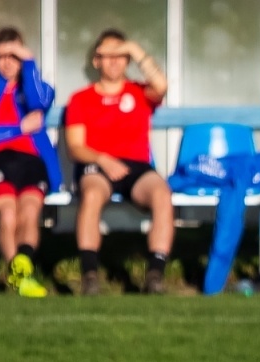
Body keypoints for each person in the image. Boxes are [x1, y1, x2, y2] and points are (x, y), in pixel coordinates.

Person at [64, 29, 171, 296]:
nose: (113, 61)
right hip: (97, 165)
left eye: (120, 55)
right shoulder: (81, 99)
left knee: (162, 194)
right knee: (91, 194)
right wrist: (103, 158)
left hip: (136, 166)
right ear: (96, 61)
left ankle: (155, 275)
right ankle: (90, 276)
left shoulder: (139, 92)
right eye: (106, 56)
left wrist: (135, 49)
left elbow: (162, 86)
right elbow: (76, 147)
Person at [0, 27, 59, 299]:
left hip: (32, 161)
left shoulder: (38, 88)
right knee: (8, 212)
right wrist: (18, 128)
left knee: (29, 211)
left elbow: (39, 102)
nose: (8, 62)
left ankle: (23, 265)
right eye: (2, 56)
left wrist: (29, 64)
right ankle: (20, 277)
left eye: (14, 56)